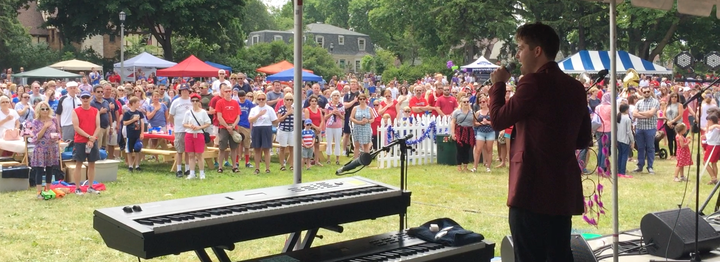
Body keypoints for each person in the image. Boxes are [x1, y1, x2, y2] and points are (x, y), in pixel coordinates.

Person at [488, 22, 591, 261]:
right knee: (558, 255)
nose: (517, 55)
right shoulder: (576, 87)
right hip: (562, 190)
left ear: (537, 51)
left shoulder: (533, 83)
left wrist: (498, 84)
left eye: (521, 47)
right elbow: (583, 138)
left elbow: (498, 119)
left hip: (531, 189)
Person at [71, 91, 102, 195]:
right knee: (79, 164)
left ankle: (90, 186)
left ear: (90, 98)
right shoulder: (76, 111)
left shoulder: (95, 110)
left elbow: (98, 126)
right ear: (80, 99)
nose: (85, 99)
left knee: (92, 164)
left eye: (87, 97)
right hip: (80, 141)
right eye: (83, 97)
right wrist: (89, 137)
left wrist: (92, 139)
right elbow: (76, 127)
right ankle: (77, 188)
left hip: (92, 140)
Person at [30, 101, 60, 199]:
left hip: (51, 148)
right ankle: (39, 192)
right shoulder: (35, 121)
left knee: (50, 169)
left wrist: (56, 137)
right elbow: (35, 138)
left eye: (47, 108)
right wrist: (45, 127)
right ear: (39, 110)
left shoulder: (54, 120)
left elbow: (59, 133)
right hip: (40, 148)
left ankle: (48, 189)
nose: (45, 111)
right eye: (43, 109)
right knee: (39, 170)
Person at [631, 85, 660, 174]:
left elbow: (651, 114)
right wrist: (645, 114)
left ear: (650, 91)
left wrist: (640, 113)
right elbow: (634, 114)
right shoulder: (639, 103)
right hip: (640, 128)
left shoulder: (655, 102)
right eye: (645, 92)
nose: (647, 93)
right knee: (640, 148)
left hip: (650, 128)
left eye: (648, 91)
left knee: (650, 147)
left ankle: (650, 166)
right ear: (642, 92)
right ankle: (640, 165)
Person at [183, 93, 212, 179]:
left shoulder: (203, 112)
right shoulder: (188, 112)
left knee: (199, 154)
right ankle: (192, 173)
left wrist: (199, 127)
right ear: (191, 102)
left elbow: (208, 123)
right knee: (191, 155)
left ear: (199, 102)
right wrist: (190, 126)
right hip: (189, 134)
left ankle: (202, 173)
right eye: (193, 101)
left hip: (199, 133)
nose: (195, 102)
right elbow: (184, 123)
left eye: (196, 100)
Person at [248, 92, 278, 174]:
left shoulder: (269, 109)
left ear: (265, 100)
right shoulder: (254, 109)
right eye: (259, 99)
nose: (261, 100)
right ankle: (257, 168)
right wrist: (259, 114)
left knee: (266, 149)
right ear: (256, 100)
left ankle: (267, 168)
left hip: (266, 128)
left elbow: (274, 120)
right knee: (257, 149)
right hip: (256, 128)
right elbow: (250, 120)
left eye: (263, 99)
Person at [215, 86, 241, 173]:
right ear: (223, 92)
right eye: (226, 91)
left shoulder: (235, 103)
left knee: (234, 147)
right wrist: (227, 126)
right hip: (223, 127)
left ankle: (234, 166)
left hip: (234, 126)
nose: (228, 93)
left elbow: (238, 116)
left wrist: (233, 126)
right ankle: (220, 167)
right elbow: (219, 117)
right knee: (222, 147)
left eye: (229, 91)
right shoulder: (220, 102)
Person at [169, 84, 193, 177]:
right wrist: (176, 125)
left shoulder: (192, 101)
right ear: (180, 91)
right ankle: (179, 169)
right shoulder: (176, 102)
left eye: (186, 90)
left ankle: (187, 169)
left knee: (188, 150)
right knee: (179, 150)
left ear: (188, 91)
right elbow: (170, 116)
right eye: (182, 90)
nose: (184, 91)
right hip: (179, 129)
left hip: (190, 129)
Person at [449, 97, 475, 172]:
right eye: (464, 102)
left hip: (469, 131)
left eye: (467, 101)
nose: (466, 103)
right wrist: (453, 133)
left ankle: (465, 166)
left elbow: (473, 123)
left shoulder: (472, 112)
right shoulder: (457, 112)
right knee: (460, 149)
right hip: (459, 131)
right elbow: (453, 122)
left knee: (467, 149)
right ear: (461, 103)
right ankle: (459, 166)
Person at [123, 97, 145, 172]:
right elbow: (125, 123)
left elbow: (142, 123)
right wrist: (133, 120)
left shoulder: (139, 113)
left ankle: (137, 165)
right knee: (129, 150)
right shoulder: (127, 113)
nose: (139, 104)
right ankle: (130, 165)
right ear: (133, 103)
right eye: (137, 103)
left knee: (138, 149)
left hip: (137, 134)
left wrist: (142, 132)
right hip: (130, 134)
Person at [349, 93, 374, 158]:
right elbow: (351, 117)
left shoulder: (369, 109)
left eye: (364, 99)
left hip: (366, 128)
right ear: (358, 100)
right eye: (360, 99)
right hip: (357, 127)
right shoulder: (355, 108)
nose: (362, 100)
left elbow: (373, 118)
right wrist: (358, 122)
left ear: (366, 100)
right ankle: (355, 161)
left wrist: (368, 121)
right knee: (357, 145)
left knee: (366, 145)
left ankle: (366, 161)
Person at [236, 90, 255, 168]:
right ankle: (236, 161)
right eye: (241, 98)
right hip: (238, 124)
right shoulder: (236, 103)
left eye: (243, 98)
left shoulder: (249, 103)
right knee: (237, 143)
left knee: (246, 145)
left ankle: (247, 162)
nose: (242, 100)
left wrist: (251, 124)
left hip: (246, 125)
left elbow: (253, 112)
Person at [276, 93, 295, 171]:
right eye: (287, 99)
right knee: (282, 148)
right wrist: (287, 114)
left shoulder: (294, 109)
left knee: (292, 148)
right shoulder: (282, 108)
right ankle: (282, 165)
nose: (289, 101)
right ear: (284, 100)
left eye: (291, 99)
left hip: (291, 130)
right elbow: (279, 119)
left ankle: (291, 165)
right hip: (283, 130)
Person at [89, 86, 111, 151]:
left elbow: (109, 114)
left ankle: (104, 158)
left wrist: (111, 126)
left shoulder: (106, 102)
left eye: (101, 91)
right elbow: (90, 116)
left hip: (106, 126)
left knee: (104, 146)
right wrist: (100, 112)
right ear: (94, 93)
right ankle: (98, 159)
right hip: (98, 128)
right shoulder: (92, 103)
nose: (100, 93)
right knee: (98, 146)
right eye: (98, 92)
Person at [617, 104, 634, 178]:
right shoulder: (627, 119)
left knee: (620, 155)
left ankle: (618, 171)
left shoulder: (618, 117)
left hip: (618, 139)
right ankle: (622, 172)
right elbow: (629, 131)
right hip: (625, 140)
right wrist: (632, 140)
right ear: (626, 110)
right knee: (624, 156)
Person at [705, 115, 720, 185]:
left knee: (705, 162)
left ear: (711, 121)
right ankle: (714, 178)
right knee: (713, 163)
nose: (707, 122)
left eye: (708, 120)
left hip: (713, 146)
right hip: (712, 145)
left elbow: (710, 137)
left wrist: (715, 126)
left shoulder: (716, 128)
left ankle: (713, 177)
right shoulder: (711, 128)